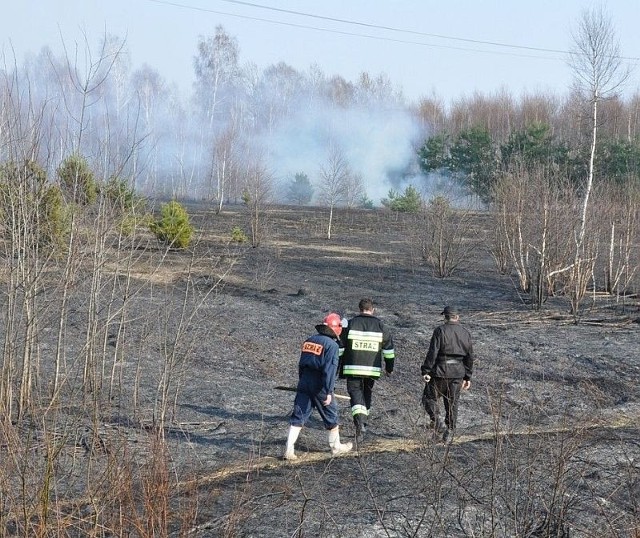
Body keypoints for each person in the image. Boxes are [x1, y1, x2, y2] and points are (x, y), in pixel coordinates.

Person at [284, 313, 353, 460]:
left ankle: (289, 450)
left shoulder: (309, 341)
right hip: (320, 384)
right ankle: (336, 447)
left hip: (304, 380)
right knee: (331, 415)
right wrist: (328, 391)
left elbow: (301, 364)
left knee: (299, 415)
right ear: (337, 328)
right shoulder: (332, 345)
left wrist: (302, 381)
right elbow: (329, 370)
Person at [340, 298, 395, 441]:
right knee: (367, 394)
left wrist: (337, 365)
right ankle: (364, 422)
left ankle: (360, 425)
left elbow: (340, 347)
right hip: (372, 370)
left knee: (355, 395)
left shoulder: (351, 324)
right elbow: (389, 351)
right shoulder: (380, 326)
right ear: (373, 310)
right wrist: (389, 368)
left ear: (359, 309)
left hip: (352, 368)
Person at [421, 306, 474, 445]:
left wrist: (426, 370)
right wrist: (467, 377)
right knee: (452, 403)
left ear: (445, 317)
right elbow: (470, 357)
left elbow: (433, 352)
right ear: (458, 317)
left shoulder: (440, 331)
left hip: (440, 371)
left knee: (428, 398)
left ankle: (438, 423)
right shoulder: (465, 333)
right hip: (458, 373)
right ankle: (449, 432)